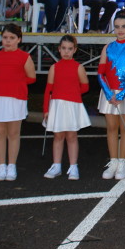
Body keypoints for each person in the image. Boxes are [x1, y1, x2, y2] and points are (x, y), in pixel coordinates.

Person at [0, 24, 37, 181]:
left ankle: (12, 165)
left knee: (13, 133)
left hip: (15, 98)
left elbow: (32, 78)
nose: (8, 41)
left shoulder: (24, 56)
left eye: (12, 38)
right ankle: (1, 166)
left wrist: (16, 82)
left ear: (19, 39)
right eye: (5, 38)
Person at [97, 11, 125, 179]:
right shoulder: (107, 47)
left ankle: (122, 162)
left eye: (124, 26)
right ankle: (113, 161)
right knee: (111, 128)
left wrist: (122, 94)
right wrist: (109, 93)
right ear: (113, 28)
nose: (120, 30)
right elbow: (100, 73)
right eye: (117, 27)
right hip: (109, 92)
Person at [43, 35, 91, 180]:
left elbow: (85, 86)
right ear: (59, 49)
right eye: (63, 48)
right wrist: (46, 109)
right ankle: (56, 165)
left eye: (70, 49)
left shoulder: (78, 67)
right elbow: (48, 90)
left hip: (72, 105)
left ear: (75, 50)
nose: (66, 52)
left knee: (71, 136)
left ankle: (73, 166)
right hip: (57, 105)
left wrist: (73, 93)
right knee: (58, 136)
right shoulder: (54, 67)